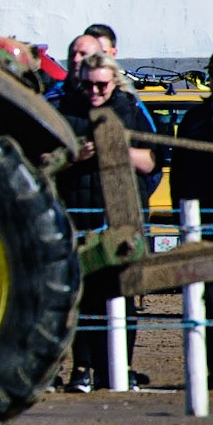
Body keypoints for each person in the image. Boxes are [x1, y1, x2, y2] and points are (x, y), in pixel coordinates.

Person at [54, 52, 156, 393]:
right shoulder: (66, 112)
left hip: (122, 218)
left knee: (122, 296)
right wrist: (75, 157)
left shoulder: (131, 111)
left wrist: (114, 147)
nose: (95, 91)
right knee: (83, 298)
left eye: (101, 84)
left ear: (114, 81)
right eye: (88, 85)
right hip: (80, 216)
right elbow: (45, 161)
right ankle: (82, 368)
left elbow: (151, 162)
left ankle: (119, 367)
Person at [166, 48, 213, 389]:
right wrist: (182, 219)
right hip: (202, 226)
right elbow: (179, 174)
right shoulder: (194, 120)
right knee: (209, 306)